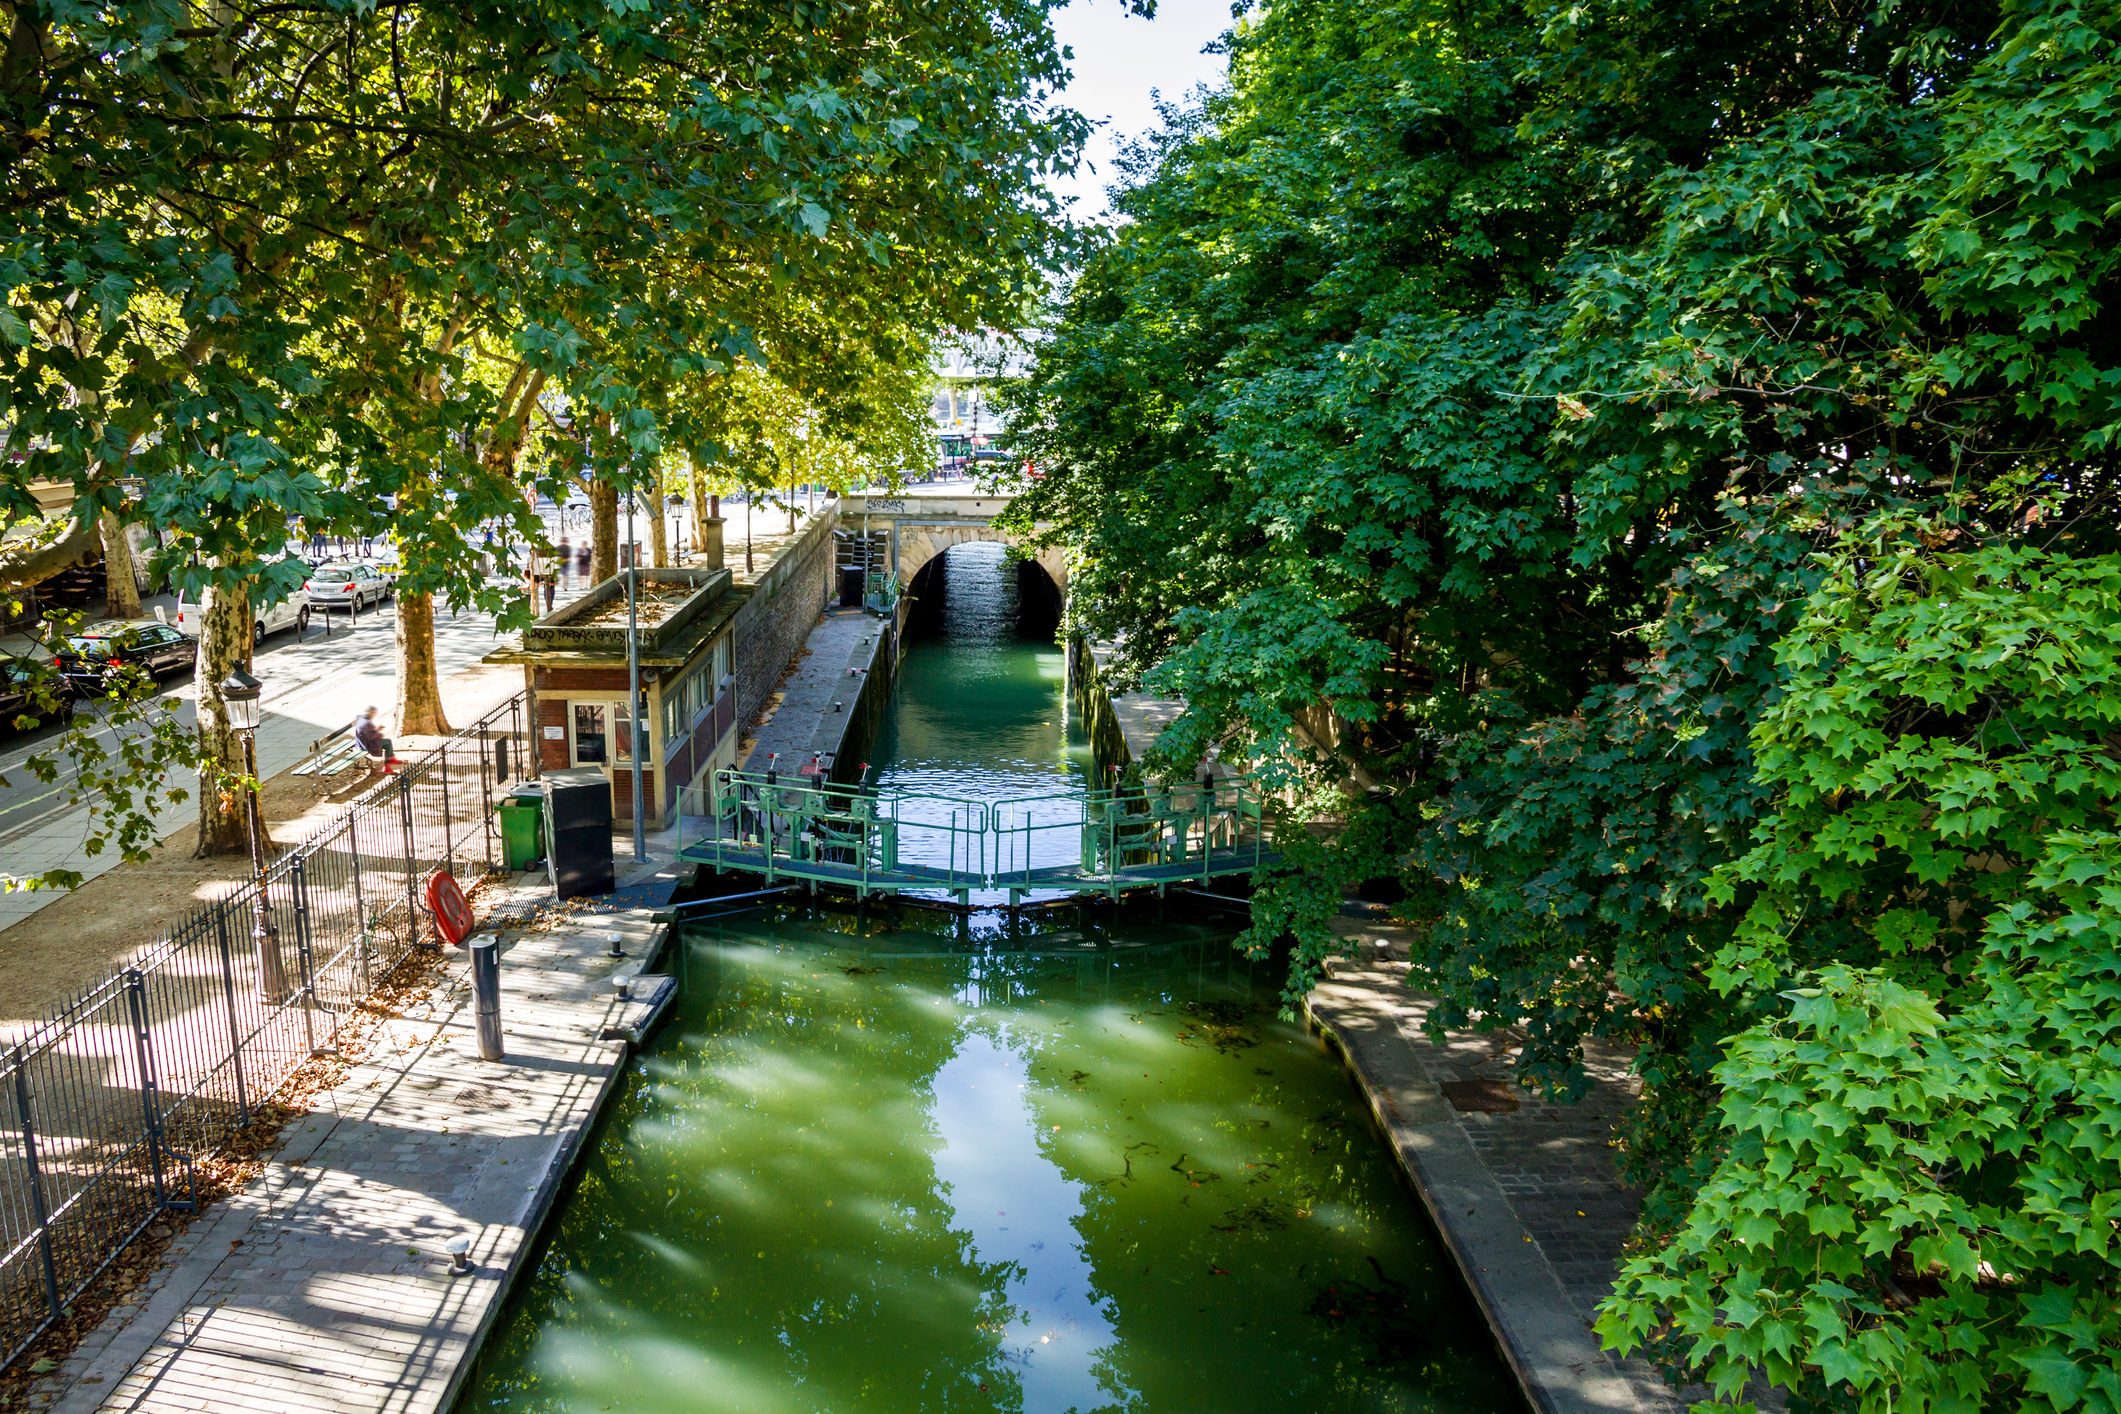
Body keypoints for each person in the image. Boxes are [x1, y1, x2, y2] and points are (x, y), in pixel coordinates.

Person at [352, 706, 392, 775]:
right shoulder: (367, 723)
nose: (375, 714)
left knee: (387, 745)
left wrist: (376, 730)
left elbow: (367, 733)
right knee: (388, 742)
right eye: (374, 713)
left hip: (360, 743)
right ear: (371, 713)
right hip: (367, 745)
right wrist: (378, 730)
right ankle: (387, 765)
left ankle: (387, 764)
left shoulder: (360, 719)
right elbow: (370, 737)